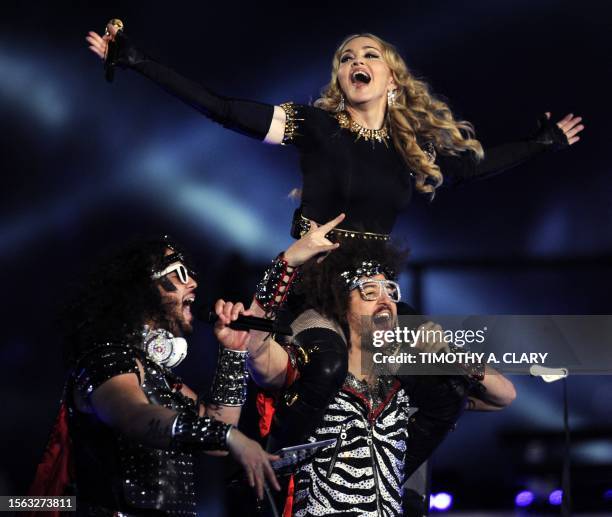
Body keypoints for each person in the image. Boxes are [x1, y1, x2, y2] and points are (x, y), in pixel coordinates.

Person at [85, 24, 584, 241]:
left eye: (370, 56)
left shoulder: (407, 150)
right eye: (347, 57)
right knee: (325, 367)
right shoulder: (315, 126)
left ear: (392, 81)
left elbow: (472, 169)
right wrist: (140, 62)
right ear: (340, 81)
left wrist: (540, 144)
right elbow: (223, 109)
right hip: (315, 290)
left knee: (477, 382)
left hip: (378, 296)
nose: (357, 61)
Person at [239, 224, 516, 516]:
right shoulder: (314, 373)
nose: (385, 300)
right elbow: (257, 349)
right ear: (340, 304)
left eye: (390, 291)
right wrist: (288, 262)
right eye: (369, 292)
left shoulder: (399, 384)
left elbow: (504, 396)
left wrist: (451, 355)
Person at [28, 237, 280, 516]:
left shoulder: (160, 375)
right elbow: (134, 415)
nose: (194, 283)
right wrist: (230, 436)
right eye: (179, 274)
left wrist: (233, 352)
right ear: (143, 287)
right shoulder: (105, 360)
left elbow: (216, 432)